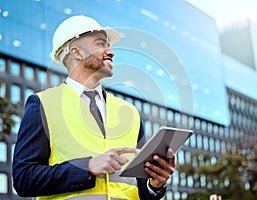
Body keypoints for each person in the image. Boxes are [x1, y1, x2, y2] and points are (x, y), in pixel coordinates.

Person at [12, 15, 175, 200]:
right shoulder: (42, 105)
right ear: (76, 52)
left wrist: (156, 184)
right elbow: (23, 179)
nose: (110, 52)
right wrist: (88, 167)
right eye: (100, 44)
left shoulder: (129, 112)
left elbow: (140, 188)